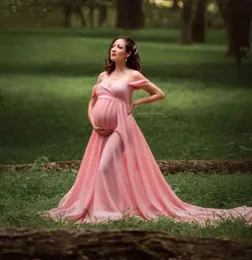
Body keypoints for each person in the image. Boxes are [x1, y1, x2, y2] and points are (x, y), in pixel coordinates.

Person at [41, 36, 252, 225]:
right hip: (99, 131)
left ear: (129, 53)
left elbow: (158, 93)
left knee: (105, 167)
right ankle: (107, 204)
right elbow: (92, 101)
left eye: (119, 47)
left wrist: (137, 103)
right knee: (101, 169)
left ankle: (108, 211)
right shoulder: (102, 76)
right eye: (113, 46)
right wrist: (93, 122)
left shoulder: (133, 75)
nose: (114, 49)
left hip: (120, 129)